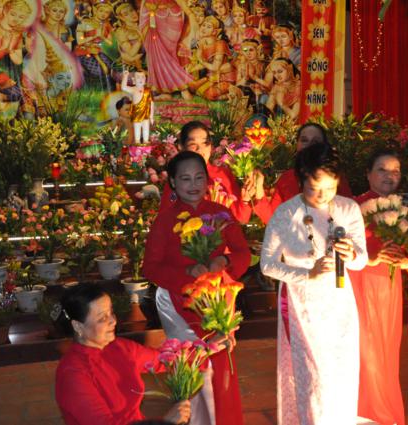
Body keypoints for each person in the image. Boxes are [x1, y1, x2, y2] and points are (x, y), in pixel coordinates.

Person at [260, 143, 368, 424]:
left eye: (330, 188)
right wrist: (307, 274)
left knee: (340, 376)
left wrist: (351, 254)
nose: (322, 195)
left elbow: (362, 261)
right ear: (300, 180)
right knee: (312, 379)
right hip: (302, 306)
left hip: (340, 305)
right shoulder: (286, 214)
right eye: (314, 188)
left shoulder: (348, 209)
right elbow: (267, 264)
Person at [144, 151, 250, 425]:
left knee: (221, 364)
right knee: (193, 366)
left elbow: (243, 253)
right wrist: (187, 273)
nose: (193, 185)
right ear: (173, 183)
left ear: (207, 180)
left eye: (199, 177)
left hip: (216, 299)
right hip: (178, 302)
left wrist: (224, 261)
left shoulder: (220, 213)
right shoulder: (165, 220)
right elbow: (150, 268)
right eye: (185, 178)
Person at [55, 283, 191, 425]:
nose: (113, 321)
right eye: (102, 318)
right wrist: (167, 422)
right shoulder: (73, 373)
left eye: (111, 313)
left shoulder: (119, 347)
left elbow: (164, 359)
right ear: (78, 326)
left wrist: (201, 350)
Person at [349, 148, 407, 425]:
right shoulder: (354, 208)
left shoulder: (404, 210)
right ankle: (366, 413)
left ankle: (385, 411)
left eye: (395, 170)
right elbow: (341, 248)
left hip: (391, 289)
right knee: (366, 349)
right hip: (363, 285)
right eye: (382, 169)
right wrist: (371, 258)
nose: (389, 175)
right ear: (368, 174)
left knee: (387, 351)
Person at [158, 120, 267, 224]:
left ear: (210, 146)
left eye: (204, 143)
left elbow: (242, 219)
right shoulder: (177, 180)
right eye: (193, 144)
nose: (200, 149)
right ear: (181, 147)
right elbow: (165, 221)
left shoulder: (223, 175)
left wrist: (245, 199)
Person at [253, 123, 351, 224]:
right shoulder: (287, 178)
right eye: (304, 140)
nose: (309, 145)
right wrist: (259, 187)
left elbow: (347, 215)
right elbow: (273, 219)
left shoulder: (334, 177)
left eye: (315, 141)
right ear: (297, 145)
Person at [140, 0, 194, 99]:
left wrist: (190, 14)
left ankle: (183, 88)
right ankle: (166, 89)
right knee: (158, 53)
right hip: (154, 18)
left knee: (170, 53)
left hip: (172, 16)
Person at [122, 70, 154, 144]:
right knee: (137, 128)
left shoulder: (148, 91)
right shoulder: (133, 89)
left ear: (145, 80)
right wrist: (125, 76)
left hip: (145, 114)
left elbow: (151, 103)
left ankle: (146, 140)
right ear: (134, 80)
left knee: (146, 128)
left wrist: (151, 116)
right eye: (138, 77)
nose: (140, 79)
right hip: (136, 114)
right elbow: (123, 87)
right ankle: (137, 141)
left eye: (142, 77)